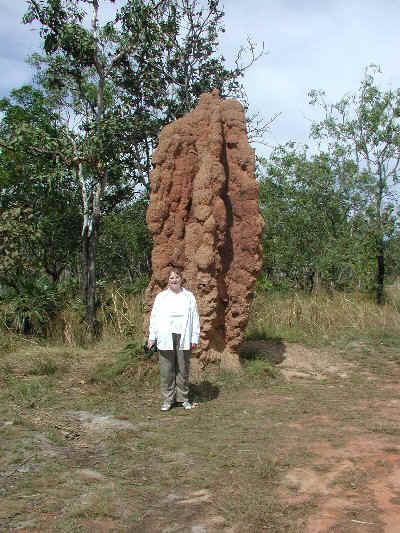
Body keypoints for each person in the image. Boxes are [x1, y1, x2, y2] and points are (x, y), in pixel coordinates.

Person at [147, 267, 200, 411]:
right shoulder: (161, 297)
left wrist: (194, 336)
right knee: (167, 369)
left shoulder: (189, 296)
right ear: (168, 281)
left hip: (183, 336)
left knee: (182, 369)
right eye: (171, 278)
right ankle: (168, 399)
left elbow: (195, 318)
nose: (174, 280)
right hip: (165, 335)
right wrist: (152, 337)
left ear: (181, 279)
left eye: (177, 277)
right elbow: (155, 318)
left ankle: (183, 398)